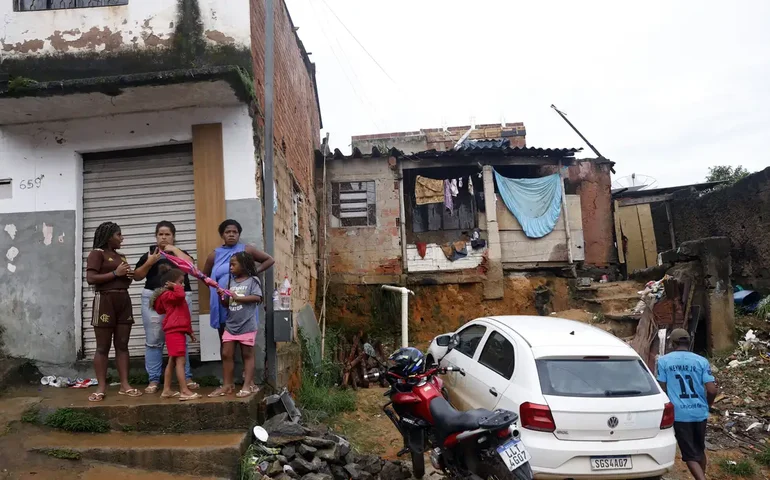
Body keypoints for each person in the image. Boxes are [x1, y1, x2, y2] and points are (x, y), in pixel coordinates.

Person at [134, 220, 199, 394]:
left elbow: (192, 269)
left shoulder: (180, 253)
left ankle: (186, 376)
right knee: (154, 341)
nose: (163, 237)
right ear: (156, 237)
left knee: (180, 337)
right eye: (160, 234)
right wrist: (150, 262)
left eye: (167, 234)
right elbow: (137, 277)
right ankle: (154, 379)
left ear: (173, 236)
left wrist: (175, 251)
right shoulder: (149, 253)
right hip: (155, 299)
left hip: (179, 298)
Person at [85, 222, 142, 401]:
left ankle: (125, 385)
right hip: (104, 301)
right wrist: (115, 274)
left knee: (122, 344)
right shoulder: (96, 254)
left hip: (123, 300)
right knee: (103, 347)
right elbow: (91, 278)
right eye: (119, 235)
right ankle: (101, 387)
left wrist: (127, 276)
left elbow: (125, 281)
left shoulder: (121, 256)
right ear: (109, 236)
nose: (122, 238)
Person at [657, 329, 718, 480]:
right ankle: (702, 476)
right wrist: (707, 405)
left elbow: (662, 388)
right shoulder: (701, 361)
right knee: (699, 450)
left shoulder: (664, 361)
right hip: (699, 412)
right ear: (688, 342)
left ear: (673, 343)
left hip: (680, 415)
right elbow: (711, 390)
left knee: (689, 455)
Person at [203, 219, 274, 336]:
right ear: (222, 235)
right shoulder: (214, 255)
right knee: (224, 339)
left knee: (245, 339)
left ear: (239, 234)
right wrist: (216, 288)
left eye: (235, 232)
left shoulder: (246, 250)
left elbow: (269, 260)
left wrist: (253, 272)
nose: (231, 234)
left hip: (243, 299)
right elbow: (204, 276)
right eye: (227, 232)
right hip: (222, 301)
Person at [208, 252, 263, 398]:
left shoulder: (253, 280)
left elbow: (257, 297)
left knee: (247, 354)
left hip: (247, 325)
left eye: (233, 264)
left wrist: (238, 298)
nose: (230, 267)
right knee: (226, 354)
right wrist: (222, 296)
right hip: (231, 324)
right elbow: (226, 304)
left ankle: (247, 385)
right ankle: (227, 385)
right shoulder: (231, 282)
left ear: (244, 265)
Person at [151, 268, 202, 401]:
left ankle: (167, 390)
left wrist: (189, 332)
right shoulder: (168, 295)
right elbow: (180, 295)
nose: (183, 285)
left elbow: (183, 315)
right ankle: (184, 390)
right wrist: (176, 287)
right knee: (181, 361)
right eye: (180, 282)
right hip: (174, 332)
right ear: (171, 283)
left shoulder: (173, 296)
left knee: (173, 361)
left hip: (177, 331)